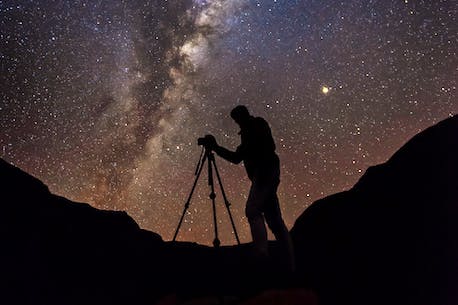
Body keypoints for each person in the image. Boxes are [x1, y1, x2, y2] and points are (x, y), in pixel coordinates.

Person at [208, 105, 295, 272]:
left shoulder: (256, 126)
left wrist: (217, 147)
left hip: (264, 173)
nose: (238, 123)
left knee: (253, 210)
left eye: (238, 120)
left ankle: (261, 252)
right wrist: (216, 147)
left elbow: (257, 151)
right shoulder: (251, 131)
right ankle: (290, 266)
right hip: (265, 174)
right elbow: (236, 158)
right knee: (275, 221)